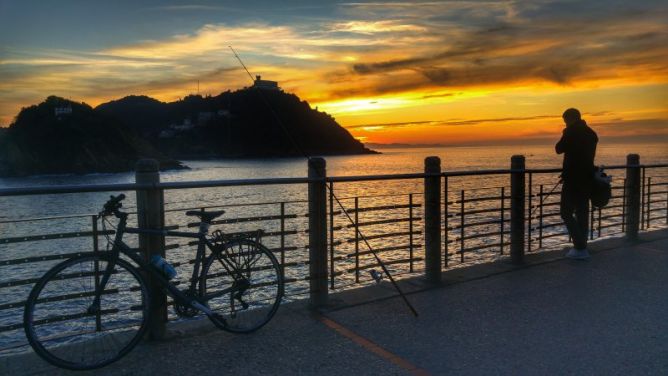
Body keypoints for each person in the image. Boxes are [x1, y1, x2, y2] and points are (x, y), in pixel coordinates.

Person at [556, 108, 598, 260]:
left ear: (570, 119)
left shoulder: (571, 132)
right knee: (582, 212)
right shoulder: (591, 133)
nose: (565, 123)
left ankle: (580, 245)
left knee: (565, 212)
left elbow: (558, 149)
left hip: (573, 179)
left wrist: (565, 131)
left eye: (565, 121)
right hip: (587, 178)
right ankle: (582, 248)